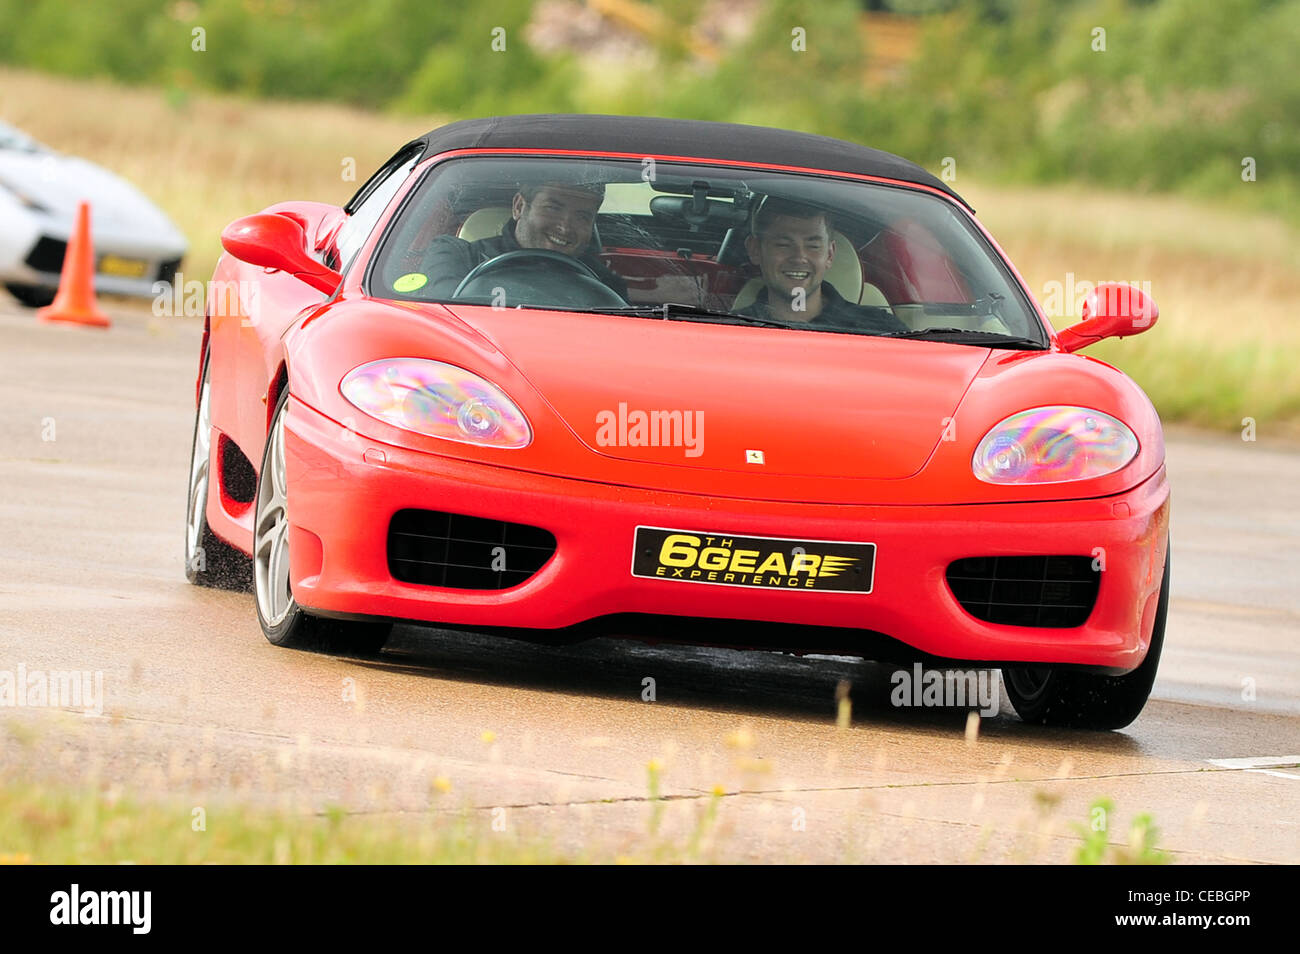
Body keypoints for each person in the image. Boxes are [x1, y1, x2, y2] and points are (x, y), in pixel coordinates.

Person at [418, 179, 628, 300]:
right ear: (519, 206)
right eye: (552, 208)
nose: (565, 227)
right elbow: (444, 319)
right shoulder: (457, 256)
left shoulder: (605, 284)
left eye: (582, 216)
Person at [737, 196, 905, 334]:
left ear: (830, 254)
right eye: (783, 244)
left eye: (813, 246)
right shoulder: (731, 329)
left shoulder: (880, 329)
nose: (799, 257)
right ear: (755, 250)